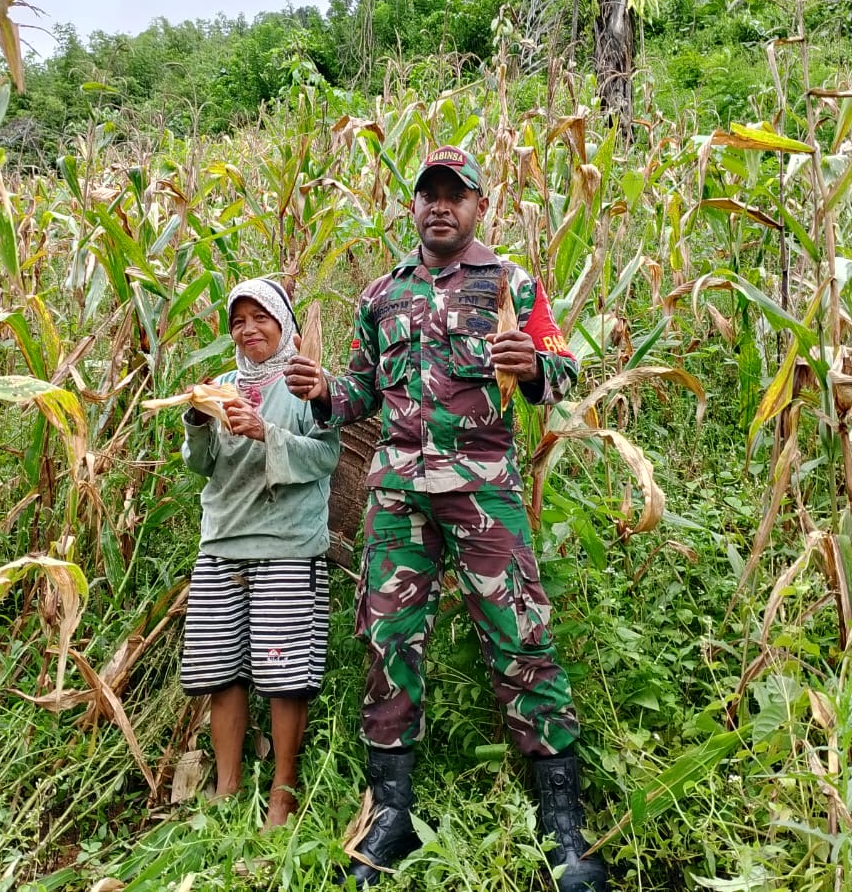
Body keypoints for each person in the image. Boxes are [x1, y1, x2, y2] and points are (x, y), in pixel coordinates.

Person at [284, 147, 608, 890]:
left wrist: (531, 364)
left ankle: (565, 830)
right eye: (428, 193)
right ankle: (389, 816)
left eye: (454, 194)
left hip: (482, 490)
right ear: (415, 208)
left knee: (523, 638)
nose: (440, 205)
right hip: (398, 496)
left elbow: (563, 370)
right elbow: (359, 393)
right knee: (388, 645)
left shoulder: (512, 283)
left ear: (477, 207)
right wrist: (321, 390)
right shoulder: (382, 295)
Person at [179, 278, 340, 830]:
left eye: (260, 318)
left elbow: (325, 457)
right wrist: (198, 424)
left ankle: (283, 794)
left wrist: (265, 434)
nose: (249, 330)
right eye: (238, 321)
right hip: (222, 539)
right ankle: (226, 787)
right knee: (218, 666)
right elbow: (199, 465)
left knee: (283, 668)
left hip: (286, 544)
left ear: (283, 323)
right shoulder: (221, 385)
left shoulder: (304, 384)